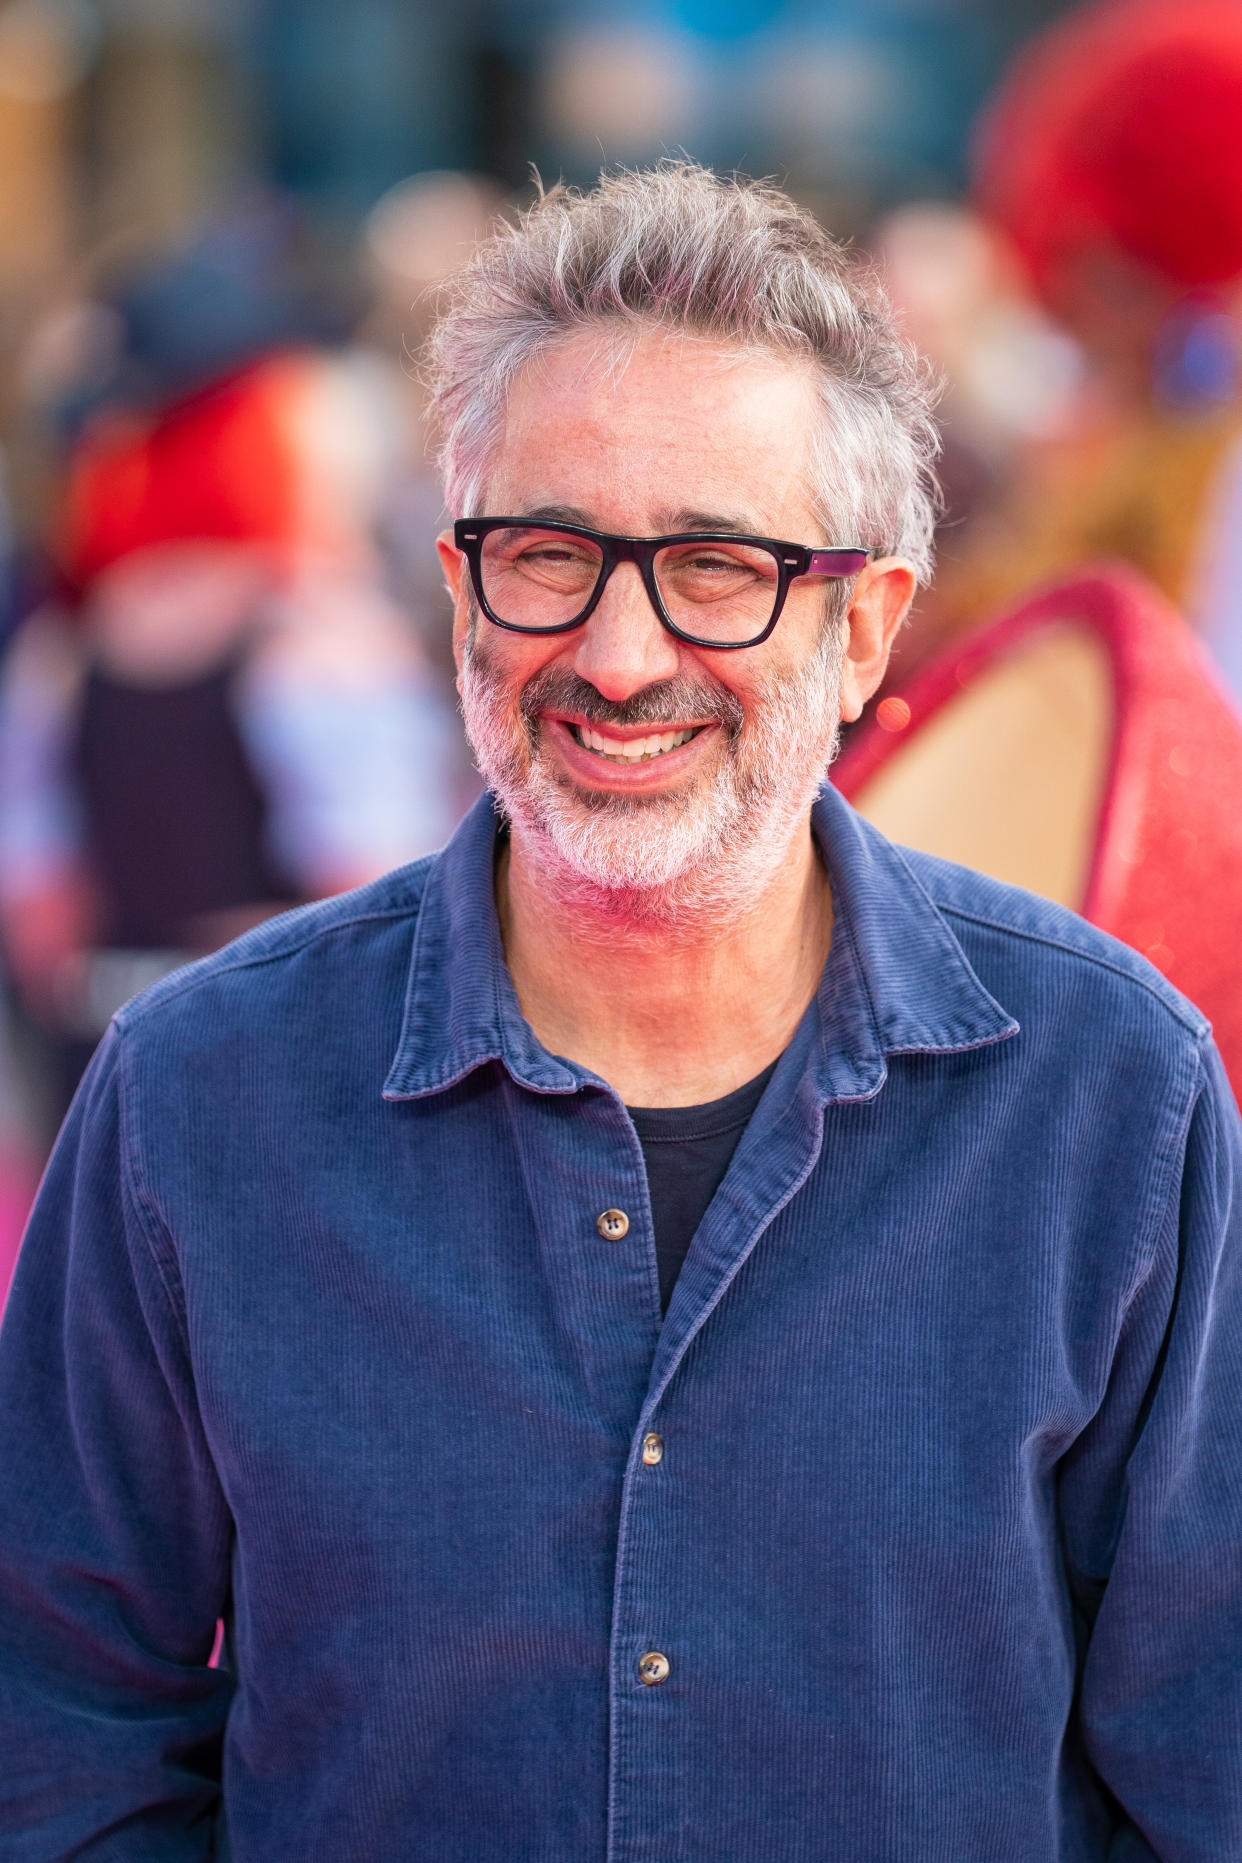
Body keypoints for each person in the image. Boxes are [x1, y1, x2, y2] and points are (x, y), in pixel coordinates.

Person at [1, 164, 1240, 1860]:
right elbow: (57, 1734)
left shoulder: (1115, 1095)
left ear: (867, 625)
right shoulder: (195, 1101)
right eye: (548, 553)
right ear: (457, 585)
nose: (619, 649)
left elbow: (1208, 1758)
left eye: (719, 566)